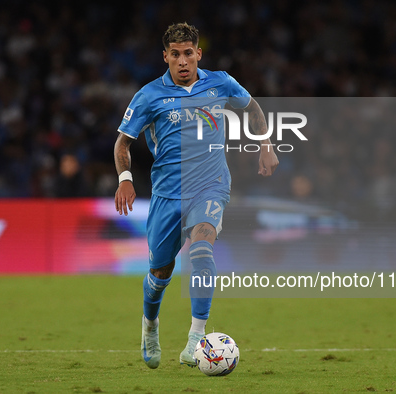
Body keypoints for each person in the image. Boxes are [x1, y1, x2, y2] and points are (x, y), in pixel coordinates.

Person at [114, 22, 278, 369]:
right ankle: (150, 326)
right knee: (159, 273)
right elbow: (123, 142)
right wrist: (125, 179)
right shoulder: (148, 96)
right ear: (166, 57)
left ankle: (195, 338)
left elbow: (253, 107)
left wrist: (265, 145)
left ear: (198, 54)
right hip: (168, 194)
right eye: (176, 54)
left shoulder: (220, 81)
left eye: (189, 52)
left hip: (211, 185)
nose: (183, 60)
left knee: (203, 248)